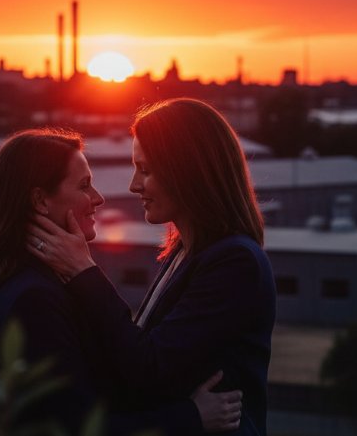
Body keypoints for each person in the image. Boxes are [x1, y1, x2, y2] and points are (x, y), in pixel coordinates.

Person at [0, 127, 243, 435]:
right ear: (41, 201)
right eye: (85, 186)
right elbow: (75, 428)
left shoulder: (41, 283)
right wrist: (191, 418)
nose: (98, 198)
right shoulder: (34, 298)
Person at [27, 99, 276, 436]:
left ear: (187, 170)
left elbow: (149, 366)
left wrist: (84, 272)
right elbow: (135, 362)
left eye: (146, 170)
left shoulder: (235, 262)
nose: (134, 185)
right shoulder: (185, 252)